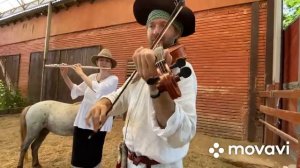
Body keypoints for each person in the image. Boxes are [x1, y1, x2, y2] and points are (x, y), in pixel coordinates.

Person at [86, 0, 197, 167]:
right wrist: (105, 102)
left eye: (163, 25)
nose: (156, 31)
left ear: (176, 33)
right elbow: (121, 96)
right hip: (128, 161)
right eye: (151, 26)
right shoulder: (143, 68)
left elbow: (183, 133)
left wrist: (154, 83)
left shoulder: (183, 71)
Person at [60, 48, 119, 168]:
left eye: (107, 61)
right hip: (82, 121)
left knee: (93, 157)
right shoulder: (92, 76)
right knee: (78, 157)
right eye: (101, 60)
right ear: (97, 62)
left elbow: (99, 89)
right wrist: (65, 75)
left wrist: (81, 73)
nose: (103, 63)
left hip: (98, 123)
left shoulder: (113, 79)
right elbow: (76, 90)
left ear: (111, 64)